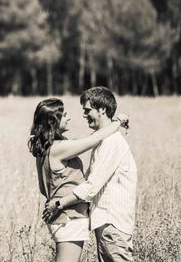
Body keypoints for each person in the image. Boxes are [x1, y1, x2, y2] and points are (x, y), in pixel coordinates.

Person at [42, 87, 137, 262]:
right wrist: (118, 122)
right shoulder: (104, 140)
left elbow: (91, 187)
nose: (83, 116)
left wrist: (58, 203)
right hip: (107, 223)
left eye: (87, 110)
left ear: (102, 109)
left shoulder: (110, 142)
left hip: (112, 222)